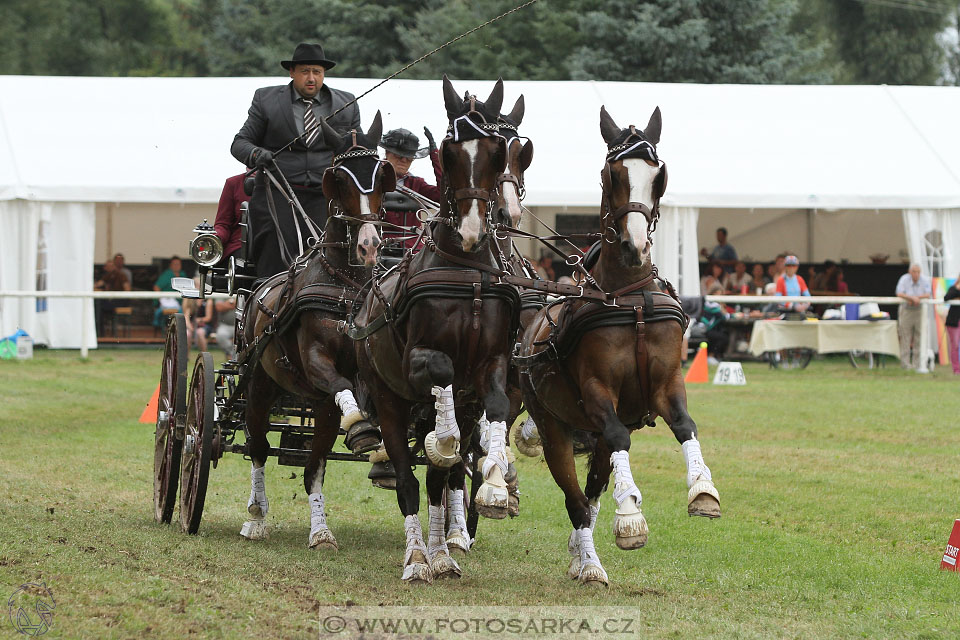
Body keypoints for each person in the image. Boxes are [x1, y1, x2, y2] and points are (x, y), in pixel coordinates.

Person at [231, 42, 361, 279]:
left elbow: (356, 150)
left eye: (317, 72)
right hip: (278, 194)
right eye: (305, 71)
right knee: (273, 244)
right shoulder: (266, 99)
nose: (311, 78)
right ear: (292, 72)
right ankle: (268, 300)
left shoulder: (347, 104)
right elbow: (240, 143)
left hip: (327, 196)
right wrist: (257, 155)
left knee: (338, 252)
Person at [380, 127, 442, 251]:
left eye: (408, 157)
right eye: (398, 155)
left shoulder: (417, 184)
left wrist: (435, 155)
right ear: (387, 153)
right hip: (378, 248)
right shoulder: (372, 181)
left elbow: (443, 194)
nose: (404, 160)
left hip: (413, 250)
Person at [895, 263, 932, 370]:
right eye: (914, 272)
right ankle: (905, 365)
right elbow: (899, 293)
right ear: (909, 272)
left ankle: (917, 365)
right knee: (905, 337)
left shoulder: (924, 280)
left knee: (919, 337)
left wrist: (916, 298)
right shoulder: (904, 279)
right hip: (906, 310)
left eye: (918, 272)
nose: (916, 274)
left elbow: (928, 294)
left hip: (920, 311)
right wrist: (911, 298)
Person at [213, 173, 252, 264]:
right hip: (239, 246)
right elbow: (223, 224)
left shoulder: (280, 183)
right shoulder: (233, 183)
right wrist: (216, 237)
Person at [94, 260, 131, 335]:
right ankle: (100, 332)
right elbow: (99, 284)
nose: (107, 268)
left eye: (110, 266)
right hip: (112, 300)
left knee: (99, 307)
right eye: (107, 266)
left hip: (121, 301)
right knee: (98, 306)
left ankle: (100, 333)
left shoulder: (121, 275)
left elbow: (127, 289)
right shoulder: (108, 275)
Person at [184, 277, 215, 351]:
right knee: (187, 334)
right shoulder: (189, 300)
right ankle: (185, 357)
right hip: (192, 324)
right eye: (196, 286)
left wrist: (198, 320)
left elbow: (208, 318)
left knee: (200, 332)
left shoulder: (208, 300)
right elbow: (186, 316)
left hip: (204, 325)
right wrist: (189, 326)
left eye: (199, 286)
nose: (197, 288)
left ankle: (204, 354)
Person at [153, 256, 185, 327]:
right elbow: (156, 287)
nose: (177, 266)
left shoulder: (183, 274)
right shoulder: (166, 275)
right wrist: (161, 299)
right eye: (175, 264)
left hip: (182, 303)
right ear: (170, 265)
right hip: (168, 303)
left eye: (178, 264)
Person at [944, 275, 960, 375]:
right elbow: (946, 297)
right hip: (953, 321)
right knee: (955, 345)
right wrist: (958, 289)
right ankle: (956, 369)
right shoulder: (953, 288)